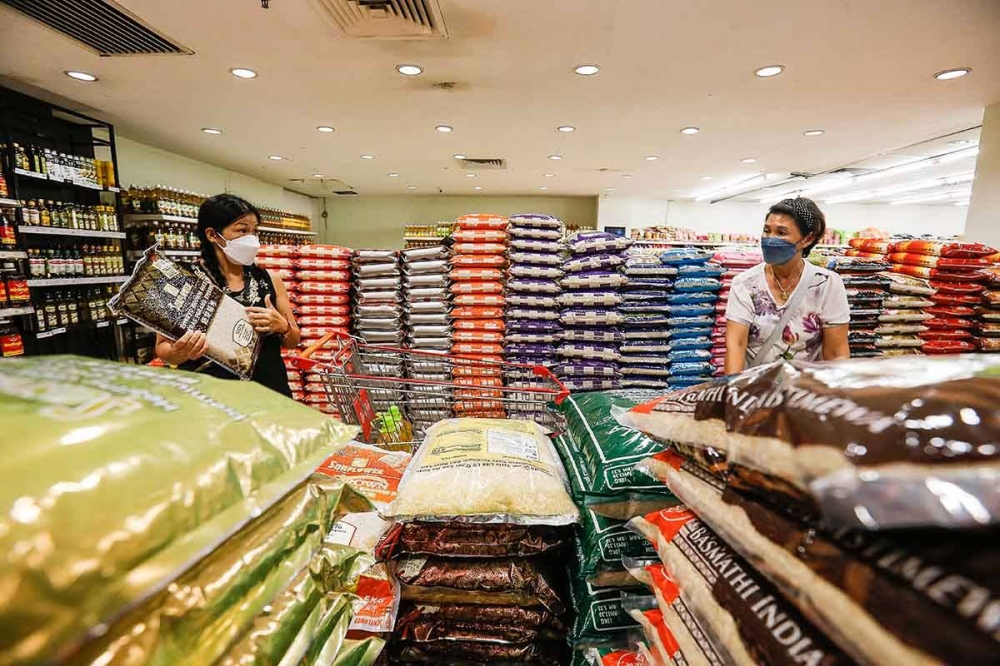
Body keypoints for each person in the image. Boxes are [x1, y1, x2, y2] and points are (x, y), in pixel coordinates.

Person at [155, 194, 299, 396]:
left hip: (269, 391)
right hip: (210, 396)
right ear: (212, 234)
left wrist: (282, 326)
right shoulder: (184, 282)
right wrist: (180, 352)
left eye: (254, 231)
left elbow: (293, 340)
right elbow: (163, 350)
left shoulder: (270, 280)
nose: (252, 239)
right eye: (242, 230)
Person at [724, 197, 850, 373]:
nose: (770, 239)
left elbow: (836, 353)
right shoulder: (746, 283)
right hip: (756, 391)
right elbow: (736, 345)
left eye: (781, 233)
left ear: (807, 239)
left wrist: (836, 396)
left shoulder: (826, 284)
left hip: (806, 392)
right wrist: (733, 394)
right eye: (767, 231)